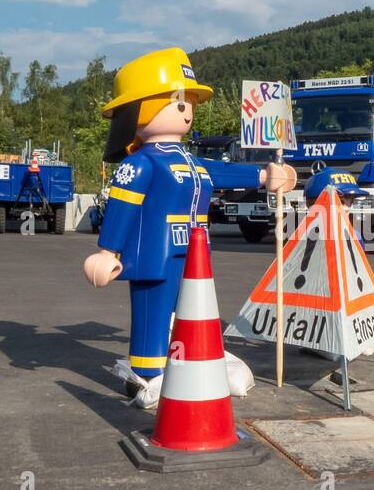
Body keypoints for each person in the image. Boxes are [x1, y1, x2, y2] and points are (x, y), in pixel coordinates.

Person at [82, 48, 295, 396]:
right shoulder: (141, 164)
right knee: (154, 310)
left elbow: (222, 171)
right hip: (157, 252)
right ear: (141, 108)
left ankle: (194, 362)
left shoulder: (189, 160)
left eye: (189, 104)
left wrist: (264, 175)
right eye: (179, 102)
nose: (187, 112)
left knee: (195, 311)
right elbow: (123, 206)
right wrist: (108, 251)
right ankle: (147, 375)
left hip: (196, 253)